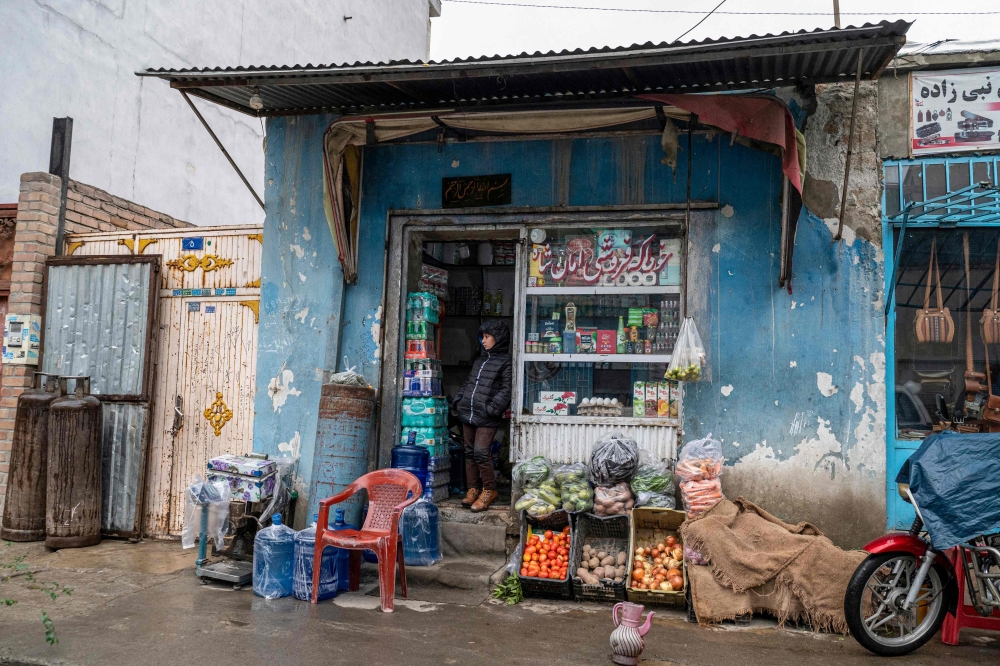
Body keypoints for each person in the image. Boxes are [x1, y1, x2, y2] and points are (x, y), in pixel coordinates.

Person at [453, 319, 511, 512]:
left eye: (487, 337)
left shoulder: (506, 361)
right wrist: (459, 400)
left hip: (486, 415)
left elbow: (506, 389)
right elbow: (468, 383)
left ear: (499, 338)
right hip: (468, 411)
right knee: (469, 451)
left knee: (480, 451)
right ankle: (473, 490)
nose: (483, 341)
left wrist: (493, 409)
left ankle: (489, 490)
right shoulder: (479, 360)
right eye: (482, 337)